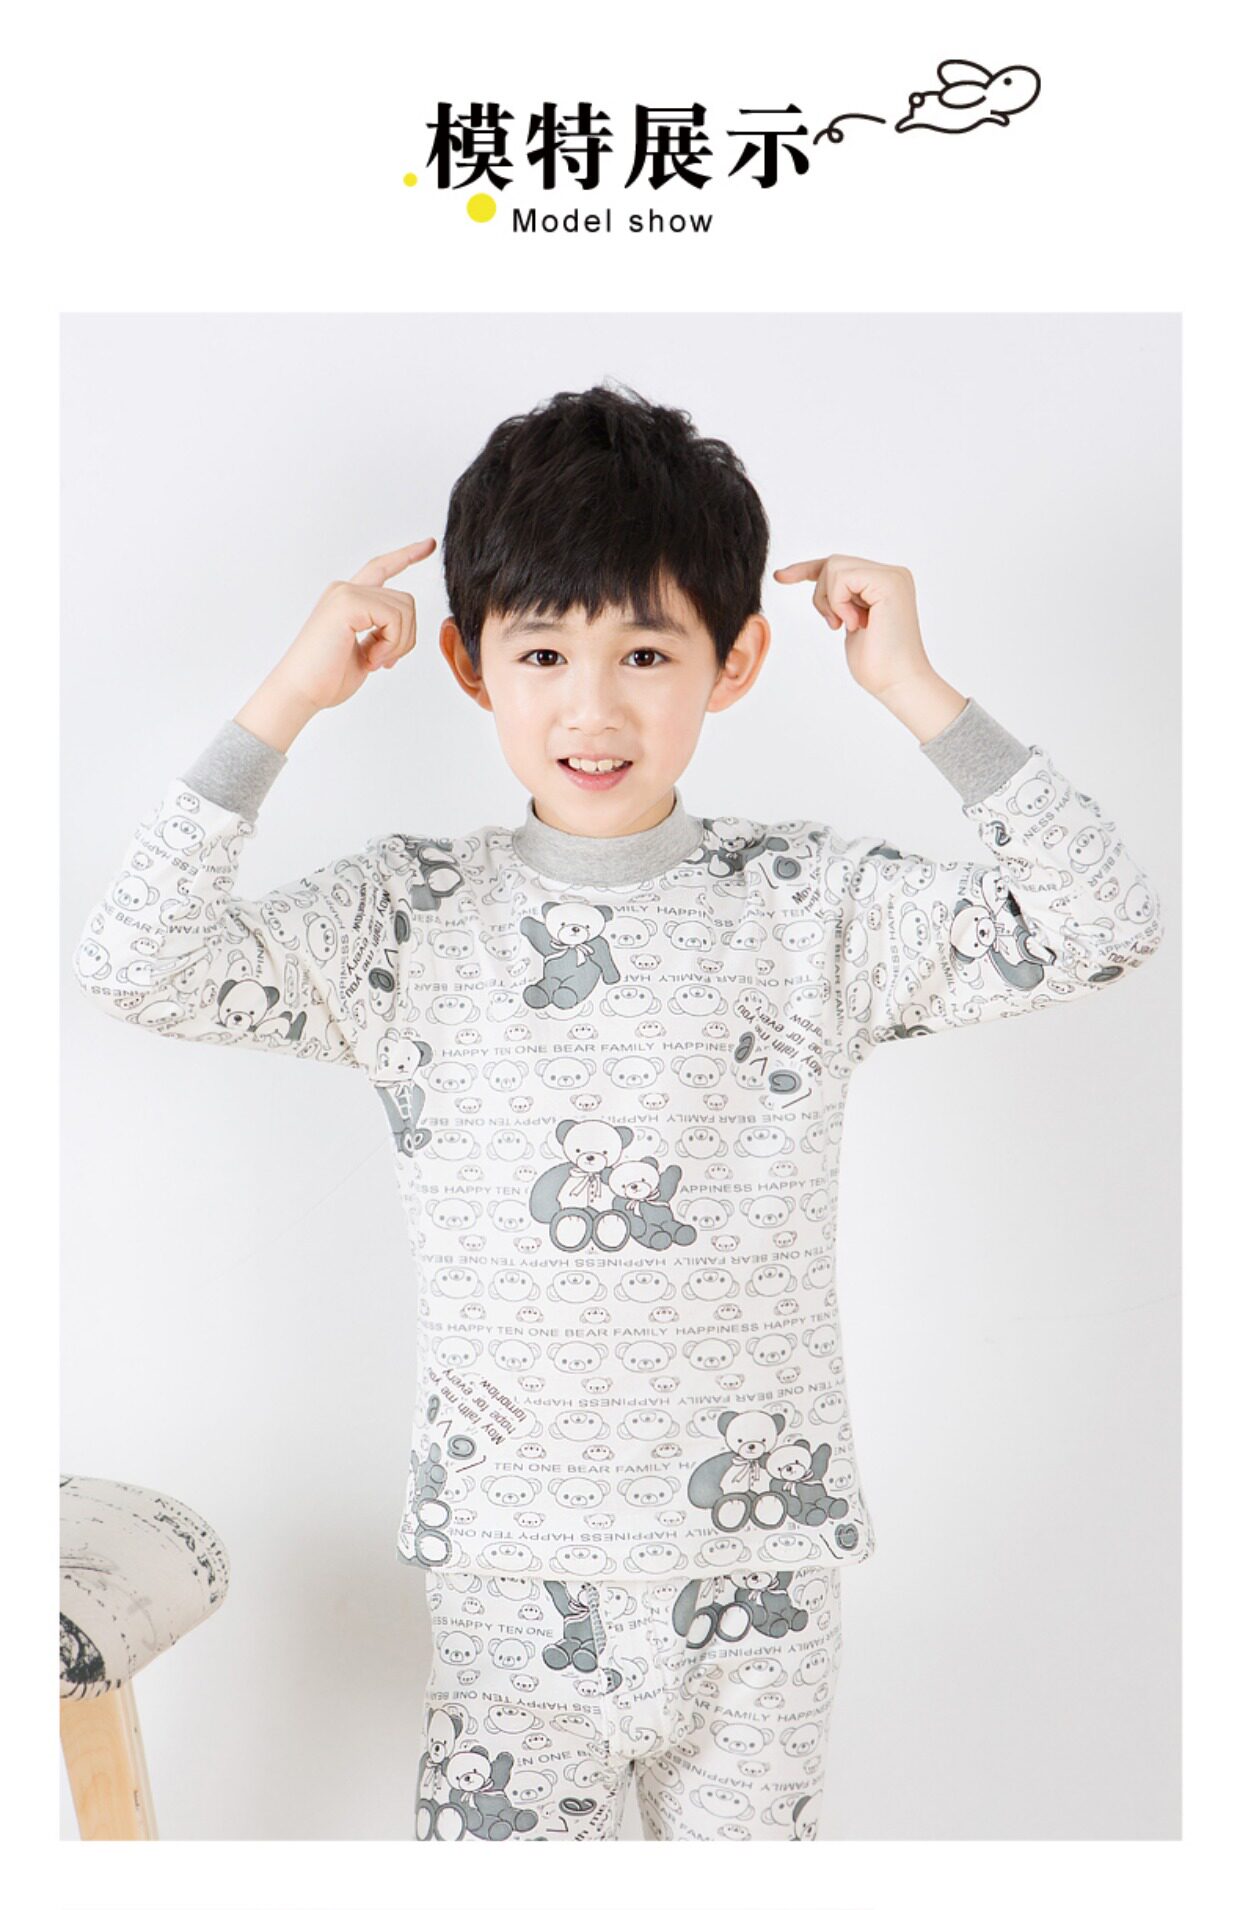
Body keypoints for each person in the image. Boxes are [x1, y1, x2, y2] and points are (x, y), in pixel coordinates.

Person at [71, 381, 1164, 1842]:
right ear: (469, 663)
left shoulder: (811, 906)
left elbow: (1100, 921)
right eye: (542, 652)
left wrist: (913, 686)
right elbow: (136, 962)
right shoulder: (409, 921)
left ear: (736, 660)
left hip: (762, 1578)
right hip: (509, 1591)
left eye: (647, 653)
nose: (592, 708)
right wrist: (288, 699)